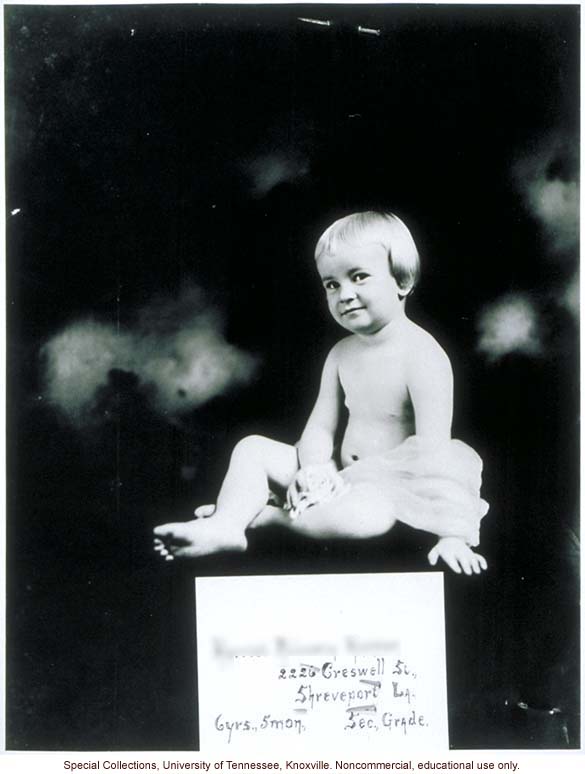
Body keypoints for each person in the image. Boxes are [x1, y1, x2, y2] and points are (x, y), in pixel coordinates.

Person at [154, 212, 489, 574]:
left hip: (392, 490)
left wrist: (452, 535)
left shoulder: (423, 355)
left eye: (359, 277)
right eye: (331, 284)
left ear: (402, 280)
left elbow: (435, 454)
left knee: (366, 517)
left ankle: (268, 518)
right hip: (340, 476)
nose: (344, 294)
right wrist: (315, 469)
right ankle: (226, 525)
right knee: (252, 448)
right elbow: (319, 428)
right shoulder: (341, 354)